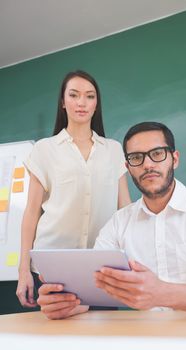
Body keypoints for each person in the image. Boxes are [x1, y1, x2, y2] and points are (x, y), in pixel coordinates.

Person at [37, 121, 186, 319]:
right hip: (145, 338)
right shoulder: (118, 223)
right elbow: (93, 292)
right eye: (136, 157)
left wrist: (161, 293)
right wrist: (66, 303)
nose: (147, 164)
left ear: (175, 159)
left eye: (157, 153)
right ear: (128, 166)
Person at [16, 70, 131, 308]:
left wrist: (132, 258)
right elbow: (31, 214)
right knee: (58, 339)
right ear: (63, 102)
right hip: (54, 266)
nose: (82, 102)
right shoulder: (44, 150)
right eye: (74, 95)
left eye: (89, 96)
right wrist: (23, 270)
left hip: (103, 265)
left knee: (106, 338)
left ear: (96, 104)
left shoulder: (113, 150)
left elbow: (125, 209)